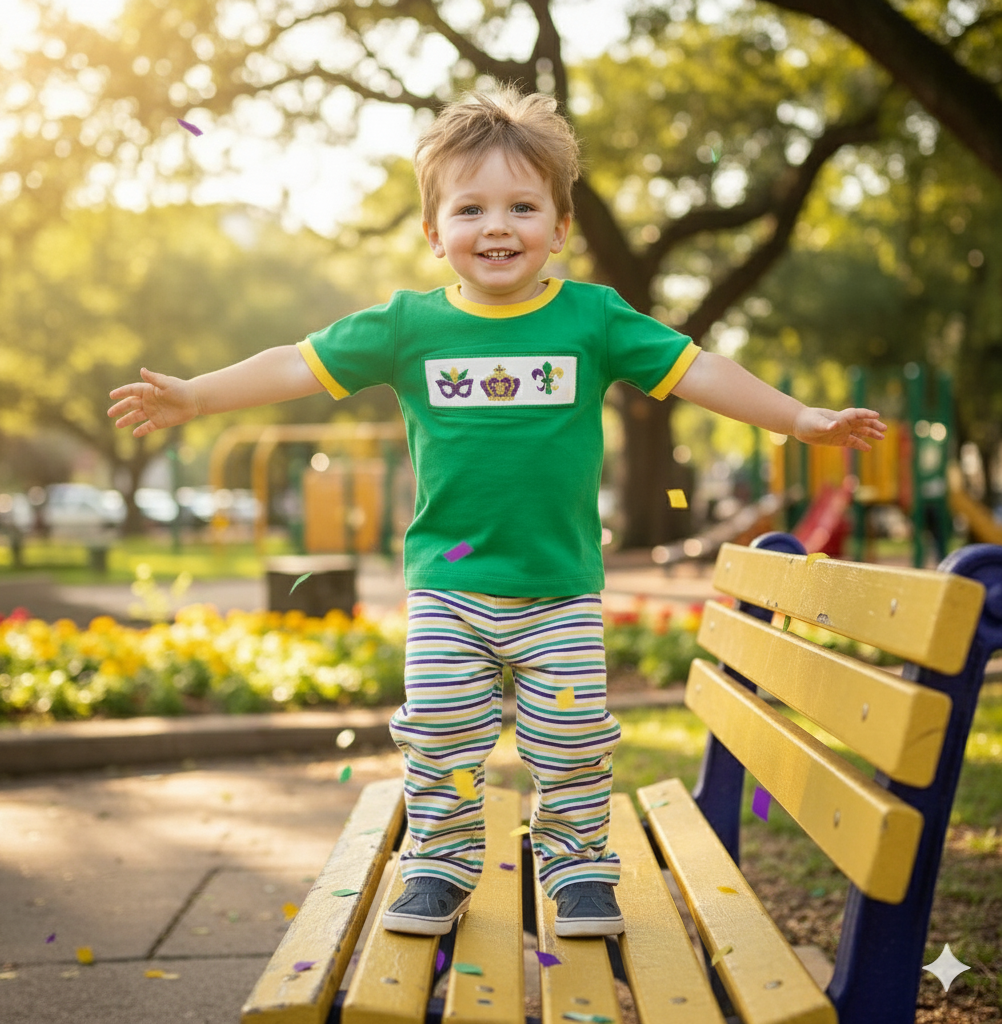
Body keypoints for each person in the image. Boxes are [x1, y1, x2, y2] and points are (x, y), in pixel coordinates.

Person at [108, 85, 885, 939]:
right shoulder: (408, 326)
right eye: (471, 208)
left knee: (574, 740)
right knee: (437, 731)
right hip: (449, 588)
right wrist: (196, 396)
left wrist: (800, 417)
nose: (498, 226)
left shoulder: (592, 318)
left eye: (523, 205)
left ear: (559, 228)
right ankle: (440, 861)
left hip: (558, 590)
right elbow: (295, 365)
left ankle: (580, 869)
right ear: (436, 234)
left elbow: (700, 371)